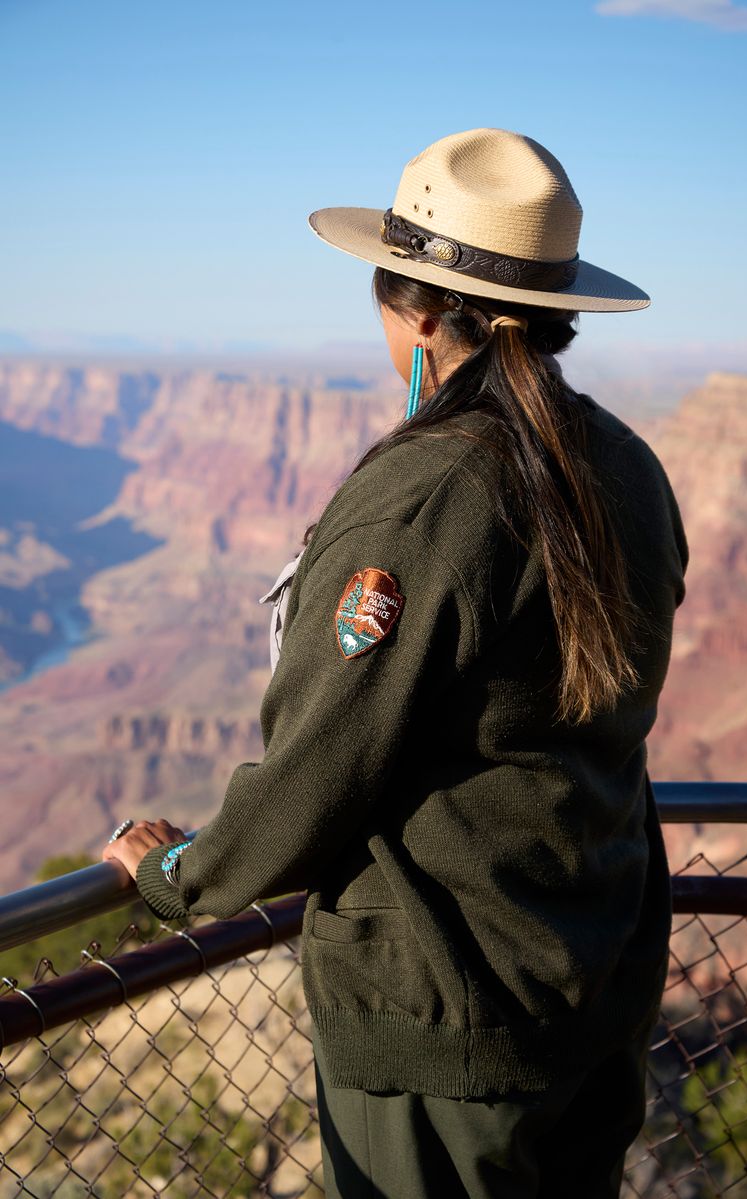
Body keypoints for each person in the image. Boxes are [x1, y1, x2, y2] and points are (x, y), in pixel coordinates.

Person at [102, 128, 689, 1198]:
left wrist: (178, 872)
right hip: (595, 983)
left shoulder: (424, 495)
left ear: (415, 310)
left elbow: (321, 761)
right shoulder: (626, 466)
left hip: (450, 1024)